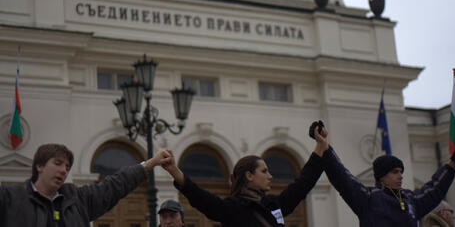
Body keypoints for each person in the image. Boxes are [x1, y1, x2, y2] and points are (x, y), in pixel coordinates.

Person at [159, 127, 328, 227]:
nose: (270, 176)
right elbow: (200, 196)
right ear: (249, 176)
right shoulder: (233, 208)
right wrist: (174, 171)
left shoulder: (273, 204)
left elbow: (302, 184)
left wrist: (320, 146)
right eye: (264, 171)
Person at [313, 123, 455, 227]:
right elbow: (342, 178)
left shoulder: (410, 200)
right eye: (395, 172)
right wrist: (324, 147)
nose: (400, 176)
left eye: (401, 172)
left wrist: (452, 162)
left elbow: (434, 189)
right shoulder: (368, 198)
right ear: (381, 176)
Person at [0, 143, 172, 227]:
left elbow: (115, 185)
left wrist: (151, 163)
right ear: (40, 166)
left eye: (67, 167)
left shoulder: (78, 200)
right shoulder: (10, 198)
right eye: (57, 163)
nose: (63, 171)